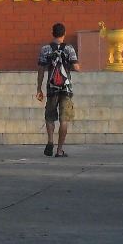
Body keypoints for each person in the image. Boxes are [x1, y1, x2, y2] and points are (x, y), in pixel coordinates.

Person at [36, 22, 79, 157]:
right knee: (64, 120)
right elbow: (76, 67)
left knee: (50, 116)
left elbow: (41, 70)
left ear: (52, 33)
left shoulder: (45, 49)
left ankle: (50, 141)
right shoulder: (69, 49)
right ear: (64, 33)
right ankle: (60, 150)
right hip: (66, 88)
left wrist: (39, 88)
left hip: (51, 88)